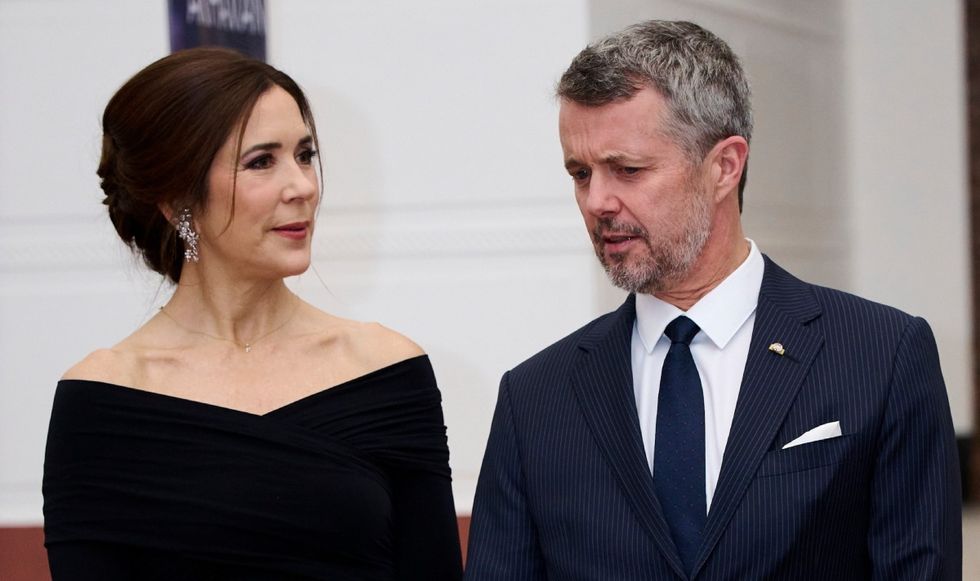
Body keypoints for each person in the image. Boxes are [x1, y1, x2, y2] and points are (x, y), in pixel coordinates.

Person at [464, 20, 961, 581]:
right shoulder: (535, 399)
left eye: (627, 170)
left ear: (725, 166)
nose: (597, 200)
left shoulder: (881, 356)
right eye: (581, 174)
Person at [42, 47, 462, 581]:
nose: (304, 186)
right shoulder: (102, 397)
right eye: (262, 161)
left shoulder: (386, 368)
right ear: (176, 198)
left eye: (305, 154)